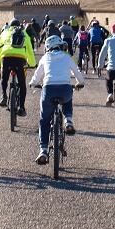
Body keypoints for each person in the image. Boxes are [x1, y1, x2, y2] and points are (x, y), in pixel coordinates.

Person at [29, 36, 85, 164]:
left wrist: (32, 83)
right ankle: (68, 120)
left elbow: (37, 76)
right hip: (64, 89)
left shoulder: (45, 58)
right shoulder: (66, 57)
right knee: (68, 95)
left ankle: (43, 150)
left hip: (48, 89)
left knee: (44, 120)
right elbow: (77, 72)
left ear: (48, 47)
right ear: (60, 45)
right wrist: (80, 83)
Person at [0, 18, 37, 116]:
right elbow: (30, 50)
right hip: (19, 59)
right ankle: (21, 107)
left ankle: (4, 95)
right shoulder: (24, 33)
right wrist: (33, 64)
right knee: (22, 84)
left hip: (6, 57)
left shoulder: (4, 33)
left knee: (4, 78)